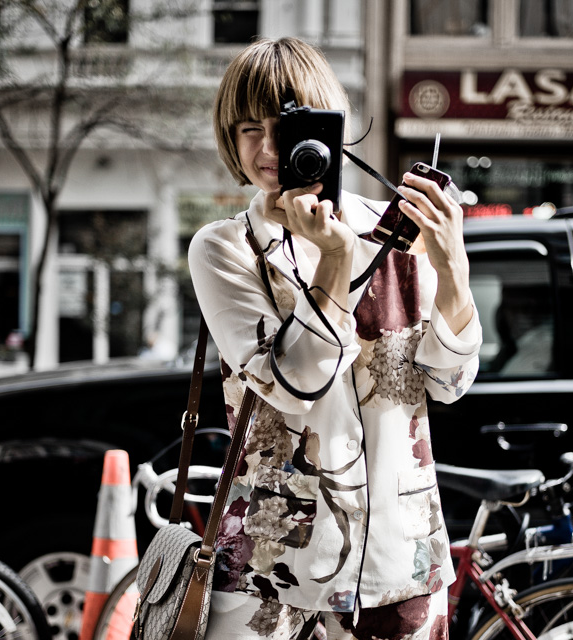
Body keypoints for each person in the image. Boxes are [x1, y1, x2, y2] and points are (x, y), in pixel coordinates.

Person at [188, 37, 482, 640]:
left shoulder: (398, 231)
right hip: (272, 573)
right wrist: (334, 260)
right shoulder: (225, 248)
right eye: (247, 129)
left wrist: (453, 269)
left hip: (401, 562)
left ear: (329, 125)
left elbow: (449, 384)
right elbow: (295, 383)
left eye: (285, 127)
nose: (269, 148)